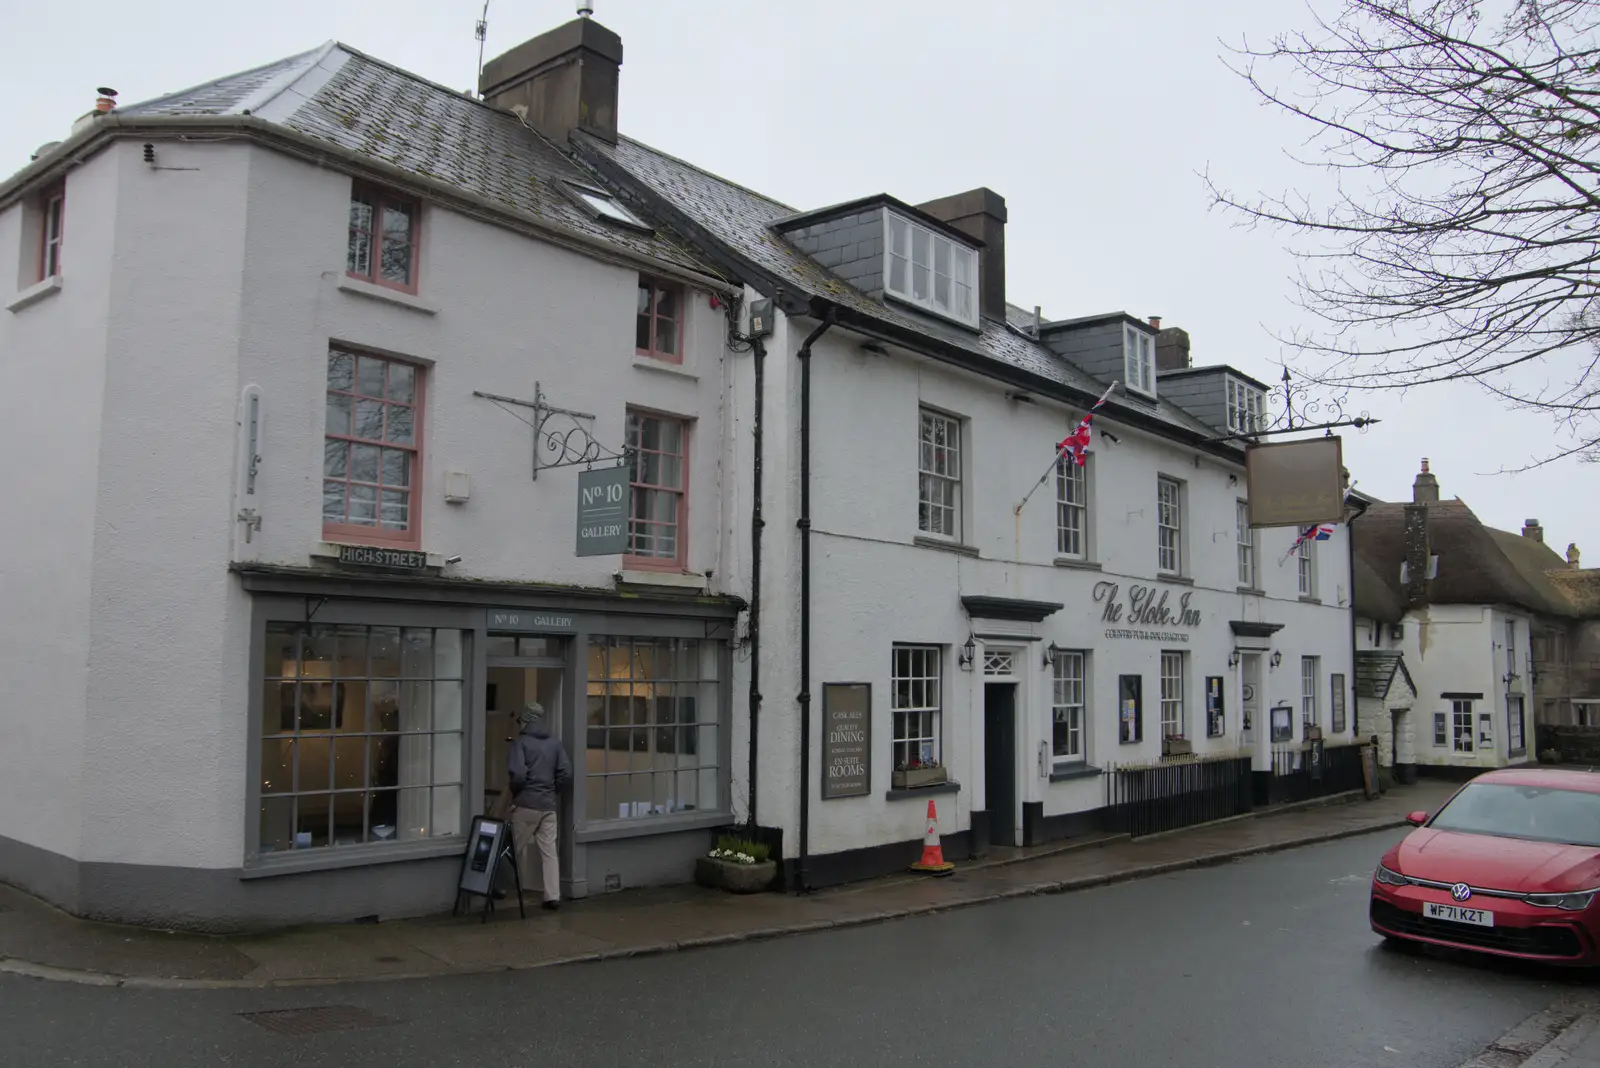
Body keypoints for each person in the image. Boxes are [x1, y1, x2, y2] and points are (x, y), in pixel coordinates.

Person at [507, 701, 571, 910]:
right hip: (548, 805)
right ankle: (552, 896)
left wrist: (517, 793)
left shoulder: (521, 743)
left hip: (526, 804)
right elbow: (565, 773)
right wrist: (553, 791)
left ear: (525, 720)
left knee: (510, 850)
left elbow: (517, 774)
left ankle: (496, 889)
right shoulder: (554, 743)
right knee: (550, 853)